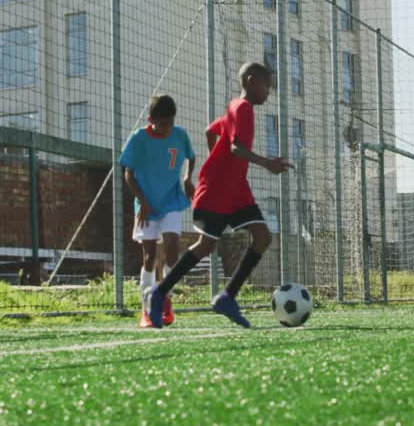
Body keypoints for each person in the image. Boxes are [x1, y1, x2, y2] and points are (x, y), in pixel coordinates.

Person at [145, 63, 292, 329]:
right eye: (266, 85)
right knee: (205, 246)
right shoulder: (243, 108)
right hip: (218, 189)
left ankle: (227, 296)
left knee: (263, 236)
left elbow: (210, 131)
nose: (269, 91)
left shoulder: (234, 108)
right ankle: (158, 292)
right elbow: (236, 148)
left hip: (236, 189)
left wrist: (219, 159)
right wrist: (267, 163)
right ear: (250, 81)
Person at [121, 94, 196, 328]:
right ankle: (146, 307)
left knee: (173, 250)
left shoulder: (180, 135)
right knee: (149, 257)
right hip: (147, 205)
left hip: (171, 201)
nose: (167, 129)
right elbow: (128, 173)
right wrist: (142, 201)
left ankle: (164, 300)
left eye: (170, 123)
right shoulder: (139, 139)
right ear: (151, 119)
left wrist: (187, 178)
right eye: (162, 124)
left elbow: (190, 157)